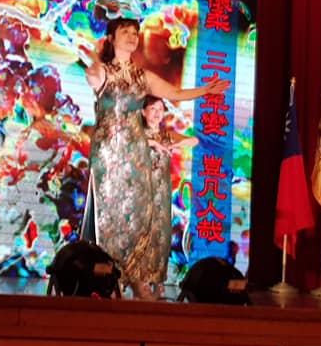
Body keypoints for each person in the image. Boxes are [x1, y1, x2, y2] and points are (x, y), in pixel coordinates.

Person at [80, 17, 227, 300]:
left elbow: (175, 93)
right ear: (111, 38)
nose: (132, 36)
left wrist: (206, 91)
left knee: (139, 216)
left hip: (136, 152)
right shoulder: (104, 72)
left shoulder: (141, 76)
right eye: (125, 32)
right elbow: (92, 74)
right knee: (109, 215)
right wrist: (96, 61)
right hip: (109, 152)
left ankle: (135, 279)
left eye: (135, 33)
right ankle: (109, 281)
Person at [141, 95, 198, 300]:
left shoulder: (166, 135)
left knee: (161, 237)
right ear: (143, 112)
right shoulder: (137, 134)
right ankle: (140, 281)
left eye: (160, 109)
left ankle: (158, 281)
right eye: (152, 109)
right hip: (141, 193)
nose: (157, 113)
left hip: (162, 193)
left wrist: (176, 145)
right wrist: (153, 144)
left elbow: (194, 140)